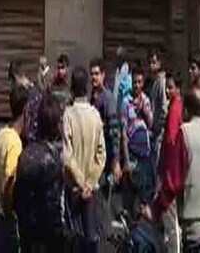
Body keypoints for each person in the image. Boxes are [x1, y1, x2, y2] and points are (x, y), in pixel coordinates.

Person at [141, 87, 200, 253]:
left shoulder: (184, 135)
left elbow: (172, 182)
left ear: (185, 111)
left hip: (197, 235)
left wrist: (154, 210)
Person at [14, 93, 67, 251]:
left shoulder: (26, 153)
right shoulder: (50, 160)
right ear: (56, 124)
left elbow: (18, 198)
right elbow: (52, 207)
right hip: (45, 238)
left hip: (27, 234)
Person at [63, 66, 106, 253]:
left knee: (73, 239)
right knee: (90, 238)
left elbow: (67, 156)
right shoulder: (95, 115)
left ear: (72, 88)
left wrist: (81, 183)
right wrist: (89, 183)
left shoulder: (68, 115)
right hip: (90, 189)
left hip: (74, 189)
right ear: (87, 87)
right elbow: (101, 154)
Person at [0, 84, 29, 252]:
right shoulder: (15, 143)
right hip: (9, 223)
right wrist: (9, 211)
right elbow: (10, 183)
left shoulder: (2, 134)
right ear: (26, 110)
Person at [157, 72, 184, 253]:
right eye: (166, 87)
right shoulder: (175, 107)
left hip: (171, 176)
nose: (167, 91)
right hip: (171, 174)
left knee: (172, 225)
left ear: (178, 89)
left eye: (171, 88)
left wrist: (168, 178)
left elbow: (171, 143)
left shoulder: (175, 109)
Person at [120, 70, 153, 207]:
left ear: (143, 83)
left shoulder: (146, 100)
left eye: (139, 82)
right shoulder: (125, 102)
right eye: (135, 82)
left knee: (144, 194)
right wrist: (126, 160)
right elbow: (123, 132)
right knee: (131, 194)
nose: (137, 85)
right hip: (132, 154)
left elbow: (151, 125)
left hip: (145, 154)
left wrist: (145, 111)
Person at [89, 57, 122, 187]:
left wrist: (116, 160)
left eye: (97, 74)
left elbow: (115, 131)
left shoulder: (108, 99)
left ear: (103, 75)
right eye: (92, 74)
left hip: (107, 156)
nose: (94, 77)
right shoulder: (93, 98)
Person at [145, 49, 168, 171]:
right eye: (150, 62)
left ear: (159, 62)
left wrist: (158, 127)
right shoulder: (154, 81)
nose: (151, 66)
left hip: (159, 133)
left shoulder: (161, 82)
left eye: (154, 62)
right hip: (154, 131)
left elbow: (164, 107)